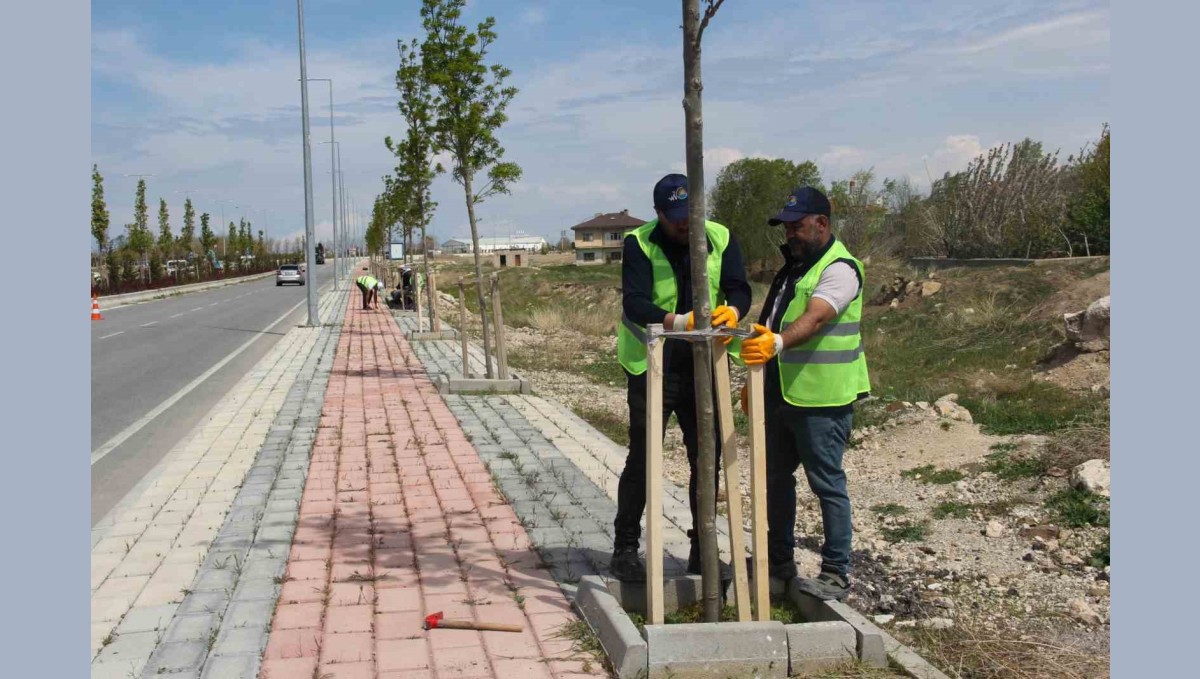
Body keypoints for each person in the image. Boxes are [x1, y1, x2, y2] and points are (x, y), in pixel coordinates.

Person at [610, 173, 752, 582]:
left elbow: (739, 287)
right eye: (675, 218)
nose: (685, 224)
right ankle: (624, 550)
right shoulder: (639, 242)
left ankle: (702, 550)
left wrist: (735, 311)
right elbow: (635, 302)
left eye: (690, 214)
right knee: (644, 456)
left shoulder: (721, 237)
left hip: (705, 362)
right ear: (658, 215)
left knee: (705, 457)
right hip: (654, 362)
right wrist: (677, 321)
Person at [736, 186, 870, 601]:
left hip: (823, 400)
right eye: (787, 226)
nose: (790, 233)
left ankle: (835, 573)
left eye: (797, 226)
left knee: (826, 483)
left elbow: (814, 319)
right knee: (776, 480)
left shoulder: (840, 269)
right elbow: (769, 324)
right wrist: (753, 376)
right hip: (781, 393)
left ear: (822, 224)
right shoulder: (792, 269)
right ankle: (779, 562)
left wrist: (776, 345)